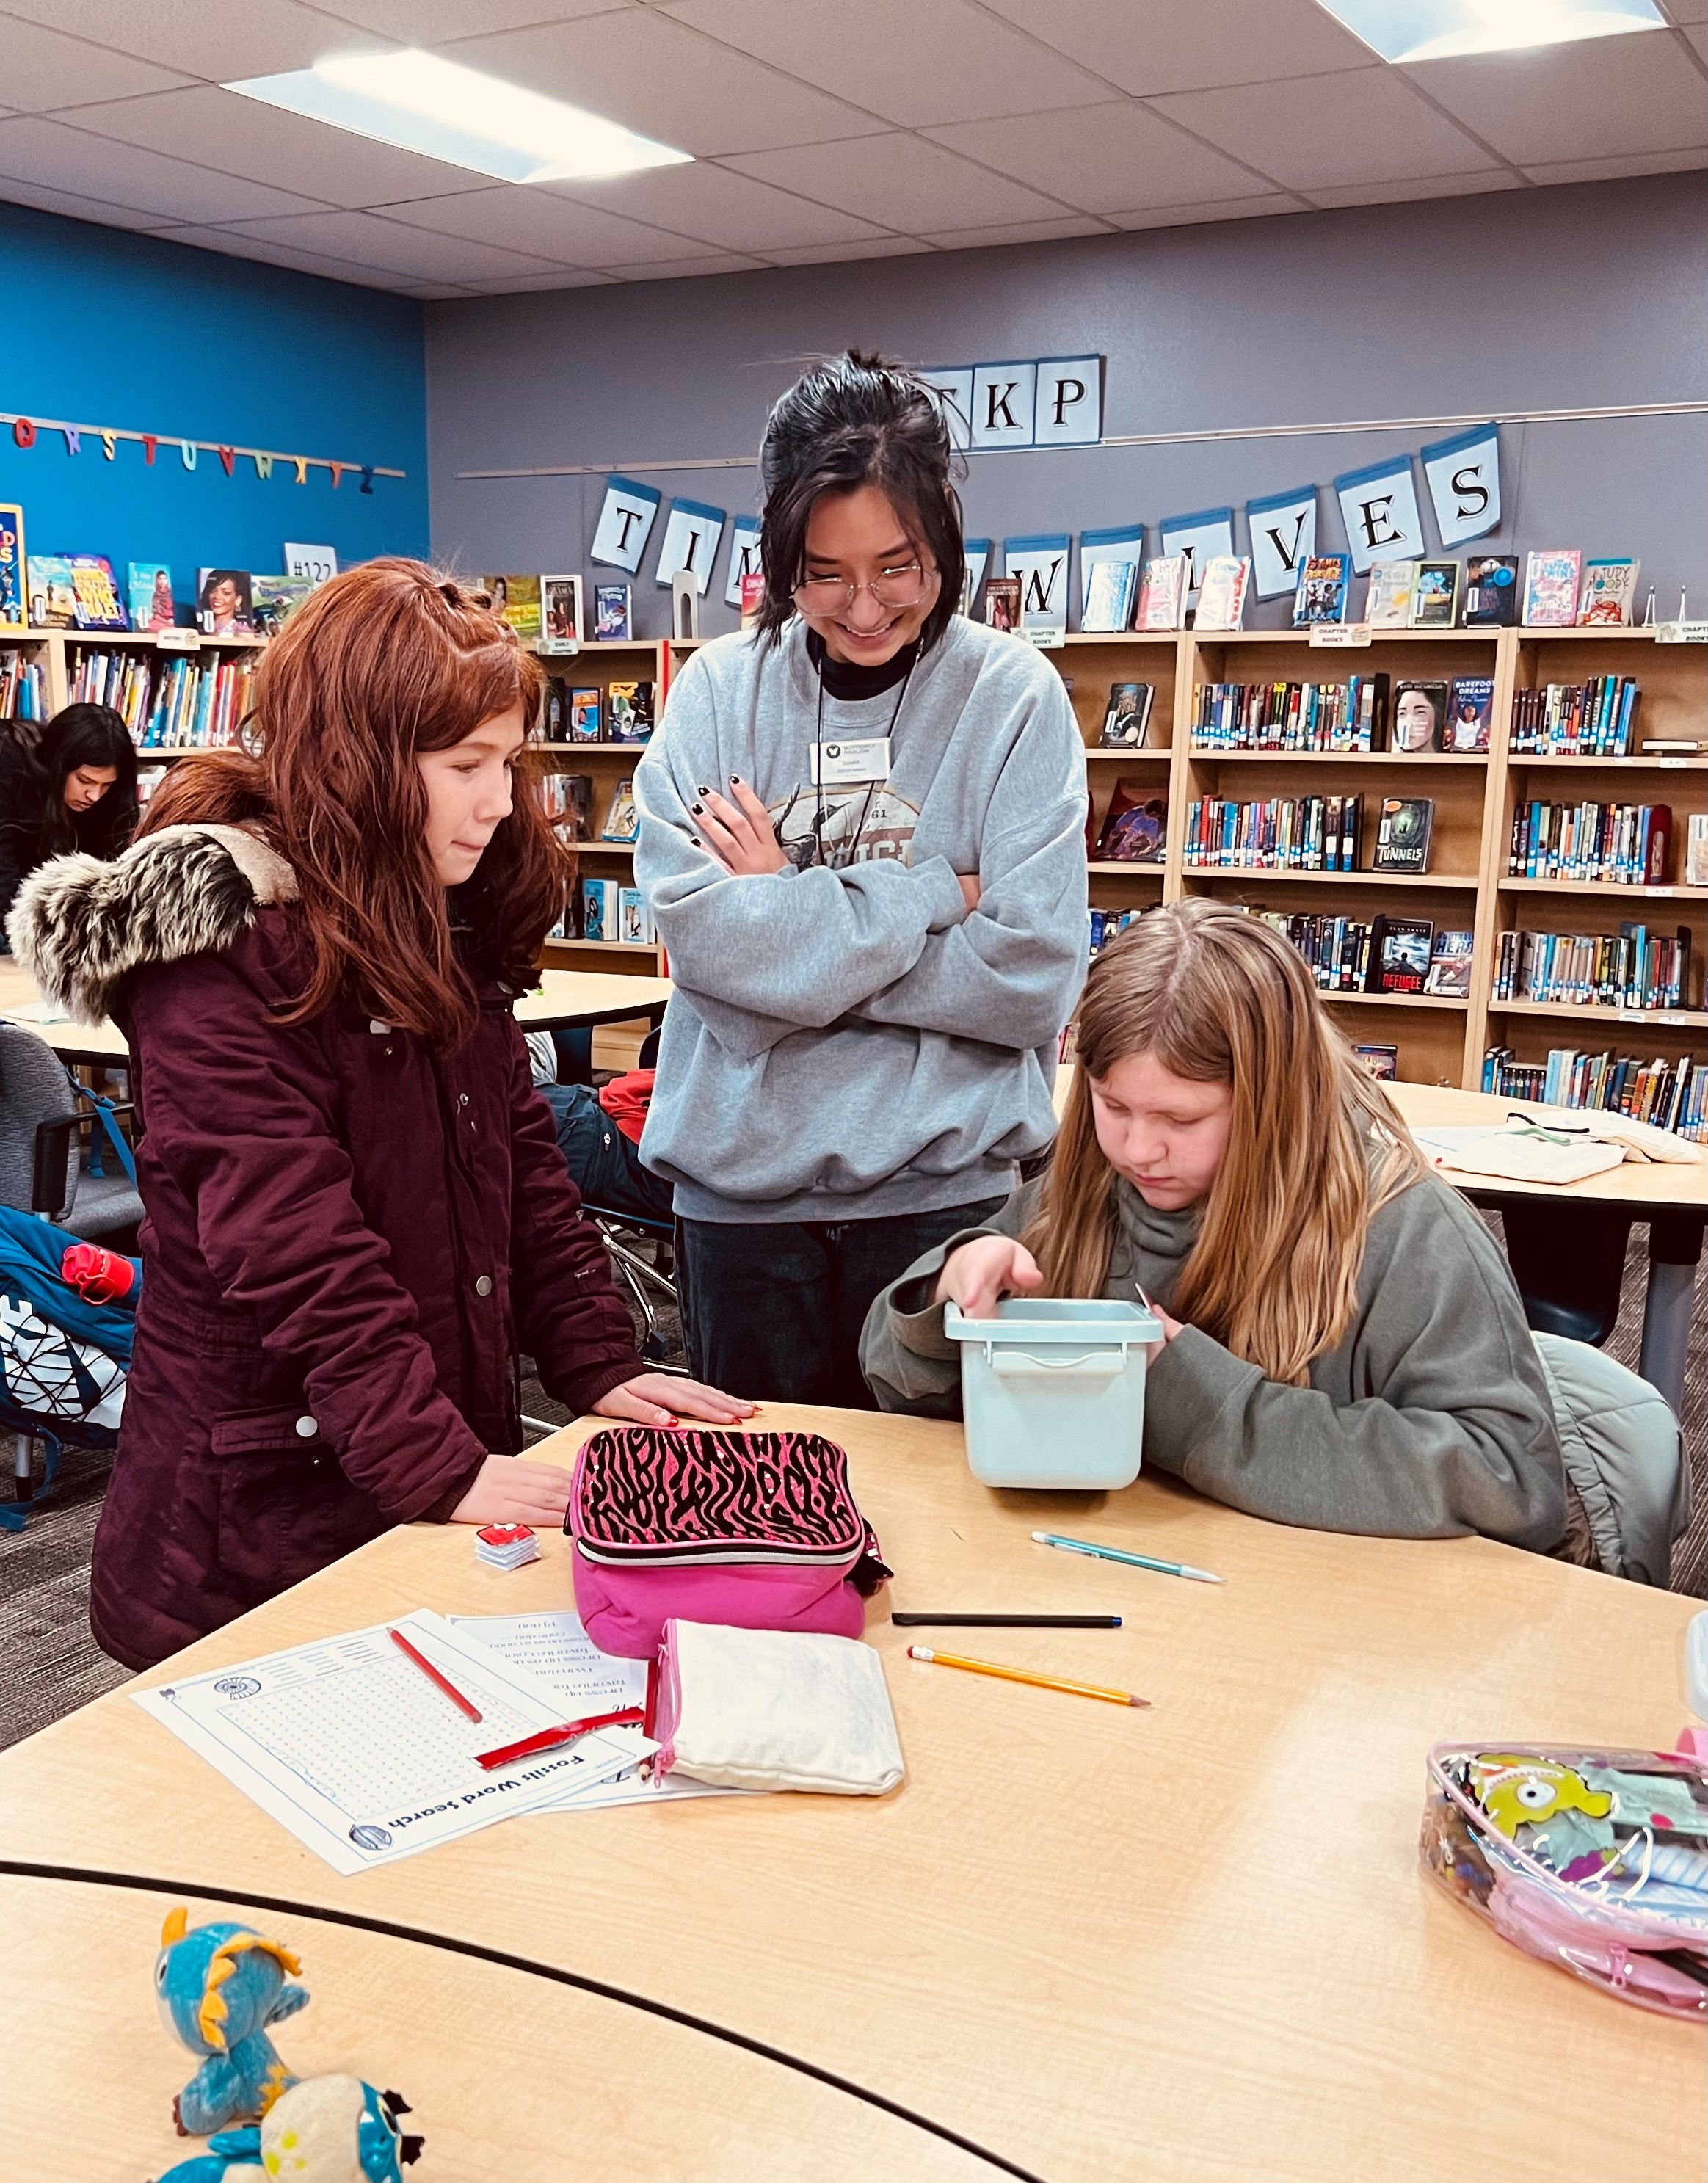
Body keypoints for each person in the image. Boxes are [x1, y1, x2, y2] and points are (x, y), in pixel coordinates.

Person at [9, 560, 751, 1669]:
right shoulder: (221, 951)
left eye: (506, 762)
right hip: (255, 1516)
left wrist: (594, 1358)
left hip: (408, 1458)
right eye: (465, 766)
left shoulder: (433, 909)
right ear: (357, 762)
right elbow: (294, 1240)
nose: (500, 801)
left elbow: (523, 1167)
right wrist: (433, 1460)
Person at [633, 351, 1089, 1407]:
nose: (867, 605)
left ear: (944, 545)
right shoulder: (713, 692)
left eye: (898, 565)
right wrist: (935, 895)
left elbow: (1029, 975)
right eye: (825, 572)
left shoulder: (1013, 697)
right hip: (737, 1206)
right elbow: (705, 950)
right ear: (780, 558)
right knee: (757, 1526)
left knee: (944, 1541)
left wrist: (788, 922)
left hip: (946, 1205)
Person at [861, 899, 1573, 1554]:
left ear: (1271, 1099)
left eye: (1182, 1119)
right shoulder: (1084, 1193)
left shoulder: (1406, 1232)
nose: (1139, 1149)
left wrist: (1197, 1402)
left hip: (1327, 1642)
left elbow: (1510, 1482)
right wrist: (944, 1305)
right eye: (1112, 1107)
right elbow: (891, 1378)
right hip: (1128, 1589)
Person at [0, 702, 138, 942]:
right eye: (84, 780)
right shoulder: (10, 768)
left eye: (106, 785)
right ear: (58, 766)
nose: (94, 796)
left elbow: (115, 878)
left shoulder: (113, 800)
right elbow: (3, 869)